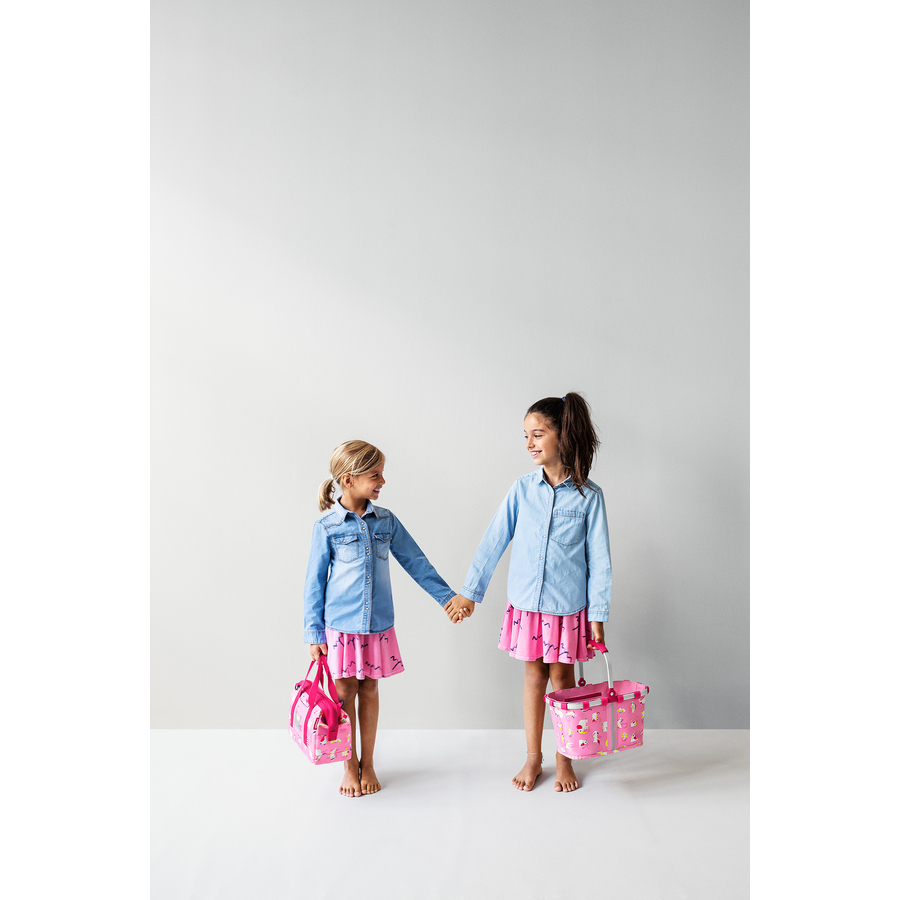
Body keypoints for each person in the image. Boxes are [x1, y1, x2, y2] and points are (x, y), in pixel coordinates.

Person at [446, 393, 611, 793]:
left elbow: (600, 560)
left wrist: (598, 615)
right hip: (527, 605)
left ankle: (565, 757)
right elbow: (494, 540)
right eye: (526, 436)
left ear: (562, 435)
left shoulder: (589, 496)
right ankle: (533, 757)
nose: (530, 443)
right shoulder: (522, 489)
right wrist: (470, 592)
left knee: (562, 679)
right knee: (534, 676)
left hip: (566, 607)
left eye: (537, 434)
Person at [304, 440, 468, 798]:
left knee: (370, 689)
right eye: (375, 475)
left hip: (377, 625)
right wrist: (314, 632)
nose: (382, 481)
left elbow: (415, 561)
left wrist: (447, 598)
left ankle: (369, 763)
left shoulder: (386, 521)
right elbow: (314, 582)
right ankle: (349, 766)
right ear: (348, 480)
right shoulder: (327, 526)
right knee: (344, 693)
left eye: (382, 474)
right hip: (341, 627)